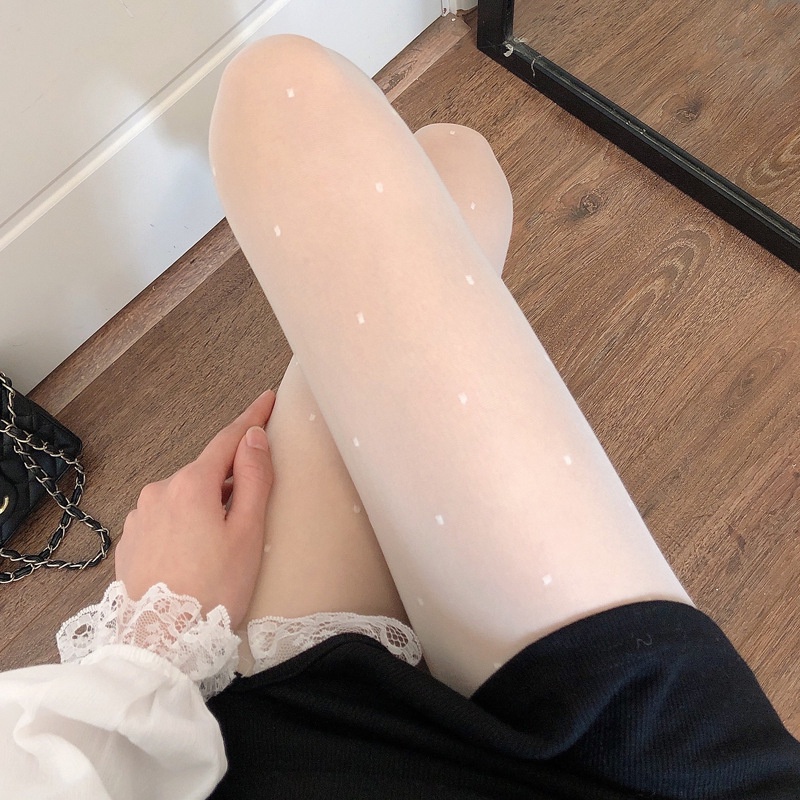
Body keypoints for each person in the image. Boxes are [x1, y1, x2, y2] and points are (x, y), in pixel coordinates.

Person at [1, 33, 798, 800]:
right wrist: (156, 635)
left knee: (445, 161)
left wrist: (160, 631)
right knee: (338, 117)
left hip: (313, 751)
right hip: (648, 761)